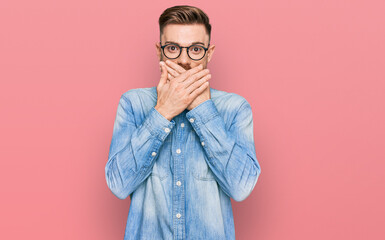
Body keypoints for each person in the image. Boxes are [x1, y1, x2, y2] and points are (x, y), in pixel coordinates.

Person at [105, 5, 261, 240]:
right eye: (173, 48)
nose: (184, 60)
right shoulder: (133, 103)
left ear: (209, 53)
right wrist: (163, 111)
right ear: (159, 51)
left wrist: (203, 110)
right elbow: (118, 184)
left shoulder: (234, 108)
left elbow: (241, 188)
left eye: (196, 49)